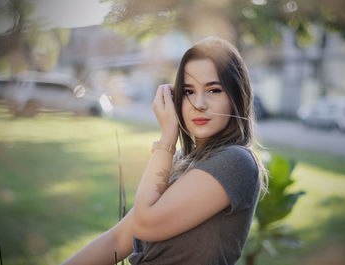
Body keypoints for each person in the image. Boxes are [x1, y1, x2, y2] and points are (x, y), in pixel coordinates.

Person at [61, 36, 268, 265]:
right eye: (189, 91)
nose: (199, 103)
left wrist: (168, 135)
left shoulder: (236, 161)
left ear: (235, 96)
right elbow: (118, 239)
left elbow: (145, 224)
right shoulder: (184, 161)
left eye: (214, 90)